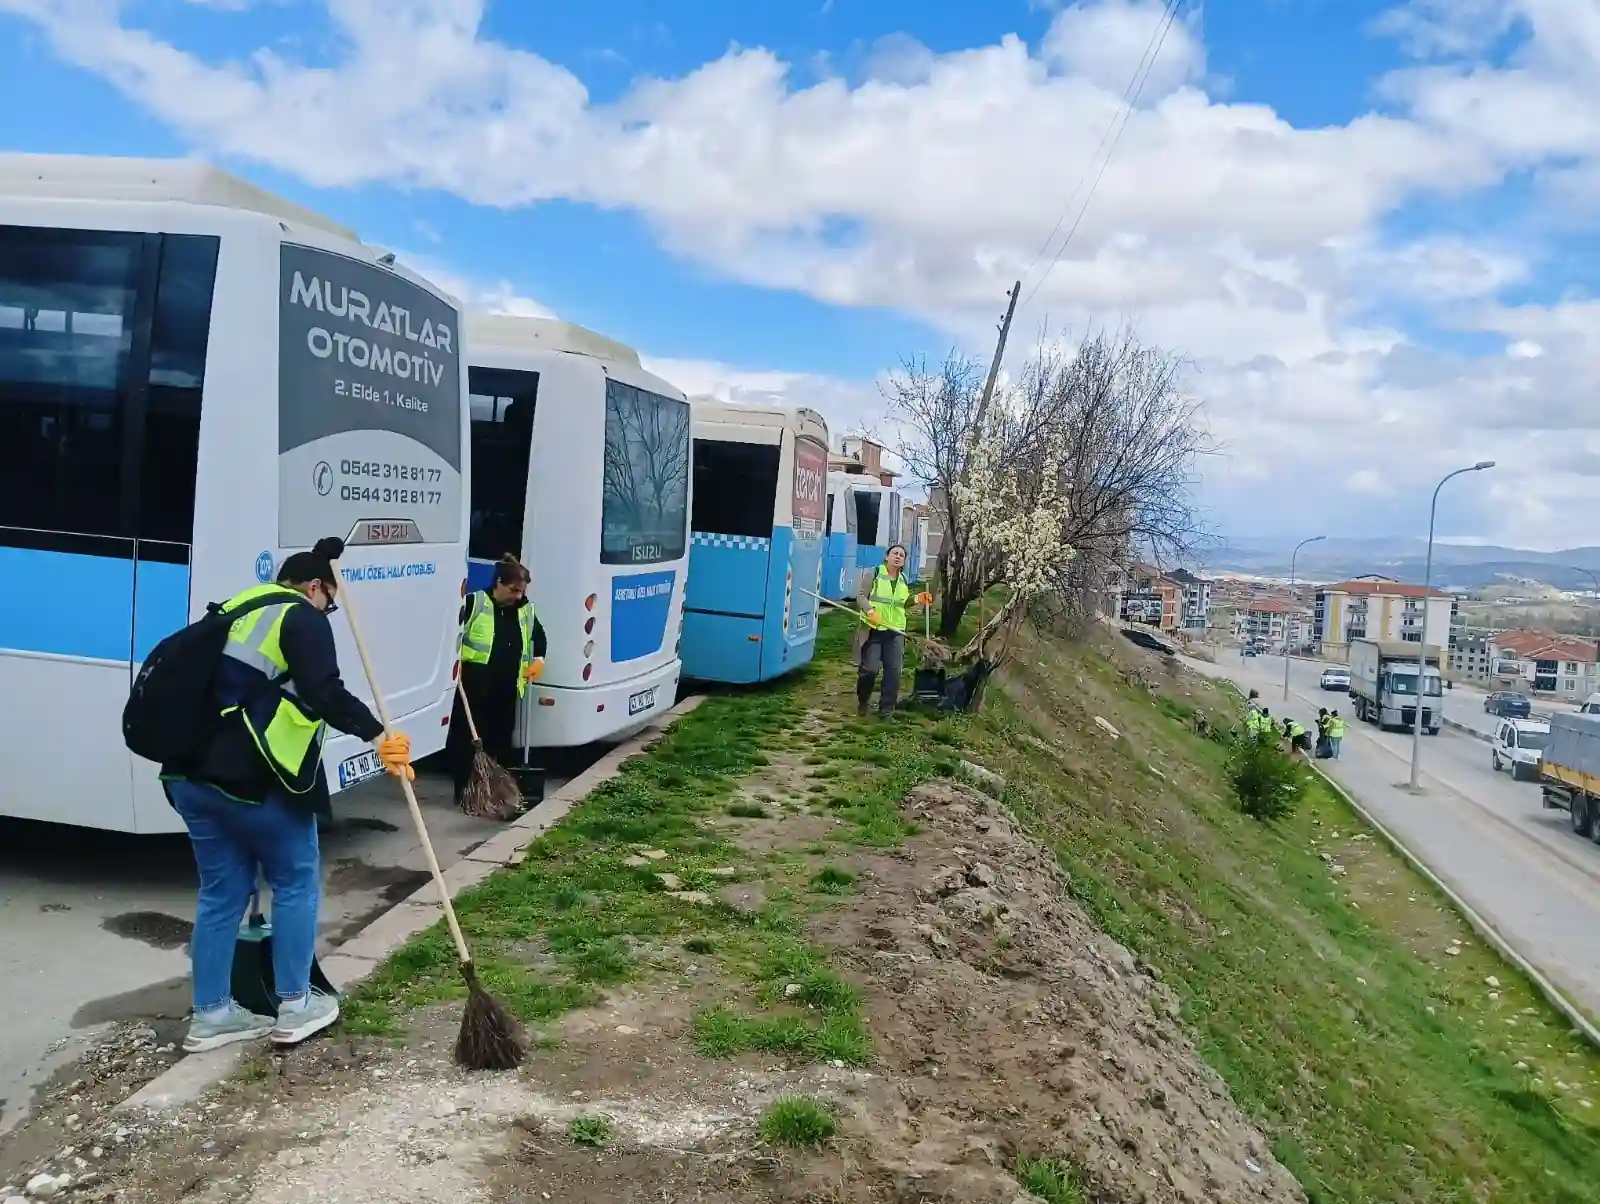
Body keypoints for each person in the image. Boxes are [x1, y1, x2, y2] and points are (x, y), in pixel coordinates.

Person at [162, 537, 413, 1053]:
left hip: (190, 776)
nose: (329, 611)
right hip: (255, 780)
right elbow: (324, 691)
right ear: (315, 587)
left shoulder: (239, 607)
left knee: (220, 895)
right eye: (330, 601)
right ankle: (295, 1006)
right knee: (296, 880)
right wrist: (378, 737)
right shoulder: (301, 616)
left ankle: (212, 1016)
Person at [449, 554, 547, 800]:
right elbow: (452, 636)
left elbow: (539, 635)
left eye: (521, 591)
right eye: (514, 590)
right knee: (468, 741)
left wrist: (538, 661)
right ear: (499, 583)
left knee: (501, 741)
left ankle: (494, 790)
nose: (518, 596)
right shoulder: (474, 603)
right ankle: (465, 792)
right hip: (474, 687)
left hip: (507, 687)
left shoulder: (524, 610)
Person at [854, 544, 912, 717]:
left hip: (895, 631)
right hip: (874, 630)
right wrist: (870, 611)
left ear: (903, 561)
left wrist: (917, 598)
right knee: (869, 670)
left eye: (902, 555)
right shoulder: (875, 573)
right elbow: (861, 596)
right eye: (895, 553)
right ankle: (863, 700)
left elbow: (903, 603)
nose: (898, 557)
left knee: (893, 673)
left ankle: (886, 710)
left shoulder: (903, 579)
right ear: (887, 556)